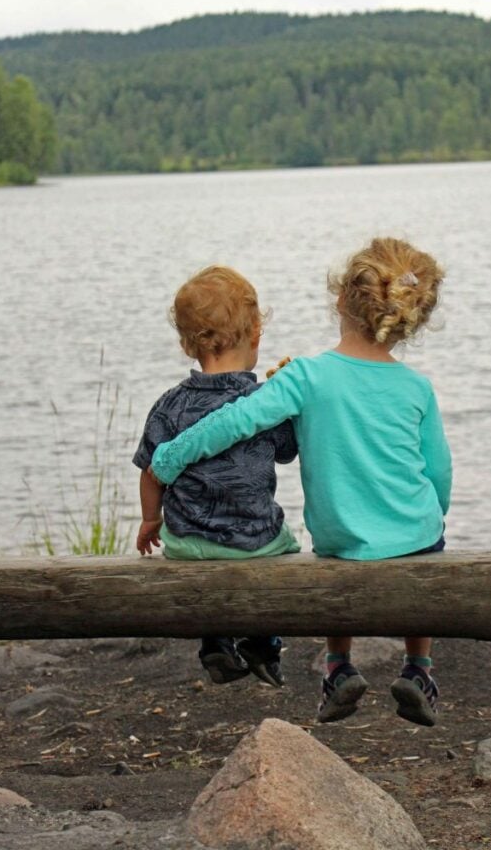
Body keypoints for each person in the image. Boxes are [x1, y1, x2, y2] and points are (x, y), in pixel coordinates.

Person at [150, 238, 452, 726]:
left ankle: (339, 666)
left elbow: (232, 422)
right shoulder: (417, 387)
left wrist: (169, 458)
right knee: (427, 544)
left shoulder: (306, 376)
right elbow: (438, 472)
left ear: (341, 299)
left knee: (333, 546)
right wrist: (433, 515)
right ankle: (418, 668)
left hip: (342, 538)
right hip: (415, 533)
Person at [133, 265, 300, 688]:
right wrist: (291, 404)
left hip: (187, 544)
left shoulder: (168, 406)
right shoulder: (262, 403)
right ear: (255, 335)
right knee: (287, 545)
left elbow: (150, 473)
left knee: (204, 552)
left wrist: (150, 520)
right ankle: (263, 644)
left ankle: (215, 643)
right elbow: (287, 451)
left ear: (187, 343)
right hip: (254, 543)